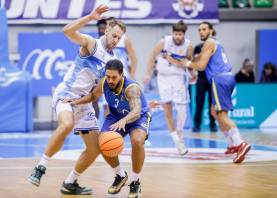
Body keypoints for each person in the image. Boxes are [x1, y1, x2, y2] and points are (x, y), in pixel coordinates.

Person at [28, 5, 125, 195]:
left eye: (119, 38)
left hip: (83, 102)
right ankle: (40, 167)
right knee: (66, 125)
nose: (116, 40)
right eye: (114, 35)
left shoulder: (112, 61)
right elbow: (67, 31)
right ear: (106, 31)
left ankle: (70, 182)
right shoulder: (91, 43)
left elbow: (97, 94)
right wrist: (90, 17)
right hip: (66, 94)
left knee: (95, 148)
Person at [69, 59, 151, 198]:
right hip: (116, 116)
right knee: (103, 143)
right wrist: (75, 102)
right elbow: (93, 96)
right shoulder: (104, 83)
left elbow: (136, 111)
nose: (110, 80)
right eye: (108, 76)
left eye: (114, 77)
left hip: (138, 118)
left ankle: (135, 181)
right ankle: (120, 175)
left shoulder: (131, 88)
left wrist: (124, 121)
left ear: (122, 75)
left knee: (137, 141)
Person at [180, 21, 251, 163]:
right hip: (225, 78)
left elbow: (200, 66)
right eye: (199, 30)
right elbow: (199, 59)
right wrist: (190, 59)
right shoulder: (214, 45)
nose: (201, 32)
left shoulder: (209, 42)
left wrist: (187, 63)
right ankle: (232, 144)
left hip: (219, 79)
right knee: (214, 112)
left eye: (204, 29)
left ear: (211, 31)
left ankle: (240, 143)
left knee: (222, 115)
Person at [143, 20, 193, 155]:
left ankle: (180, 131)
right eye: (176, 34)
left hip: (179, 78)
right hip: (163, 77)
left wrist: (193, 73)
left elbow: (189, 64)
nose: (177, 37)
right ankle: (177, 141)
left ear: (184, 34)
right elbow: (152, 56)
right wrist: (148, 73)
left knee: (182, 111)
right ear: (172, 33)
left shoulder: (188, 46)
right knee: (167, 109)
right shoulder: (163, 42)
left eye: (180, 34)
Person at [193, 43, 217, 132]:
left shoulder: (216, 48)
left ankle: (212, 124)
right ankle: (197, 124)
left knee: (213, 104)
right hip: (201, 80)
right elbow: (193, 61)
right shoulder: (198, 47)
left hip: (212, 80)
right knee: (199, 104)